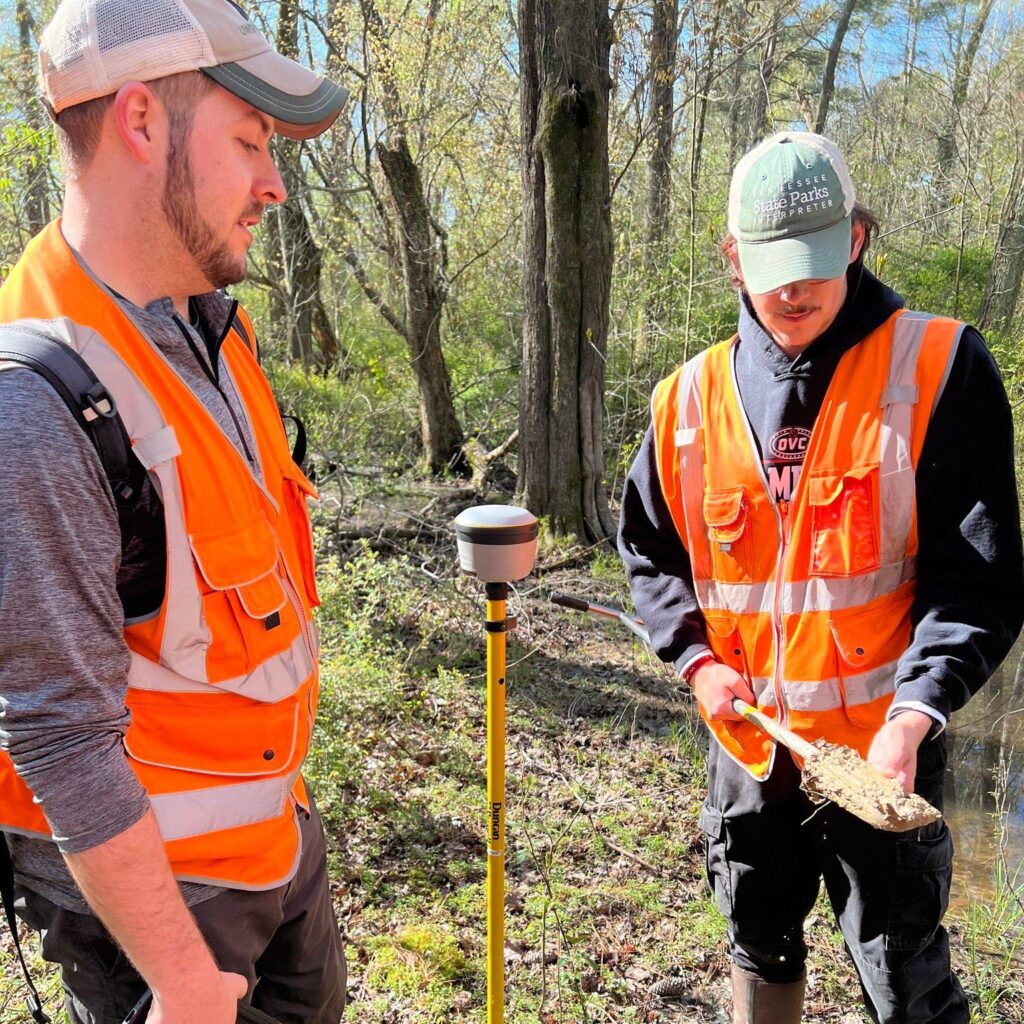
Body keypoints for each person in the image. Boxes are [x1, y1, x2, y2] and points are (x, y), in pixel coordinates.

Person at [618, 131, 1024, 1024]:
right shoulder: (685, 400)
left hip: (882, 756)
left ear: (859, 239)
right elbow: (651, 553)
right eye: (769, 268)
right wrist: (694, 662)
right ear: (731, 256)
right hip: (750, 752)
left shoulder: (940, 366)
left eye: (814, 262)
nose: (792, 290)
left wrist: (915, 715)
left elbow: (981, 581)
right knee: (758, 942)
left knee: (903, 966)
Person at [0, 1, 349, 1022]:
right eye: (249, 141)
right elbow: (60, 736)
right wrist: (182, 980)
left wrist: (287, 817)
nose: (274, 183)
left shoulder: (208, 325)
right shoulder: (36, 405)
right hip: (160, 915)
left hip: (276, 842)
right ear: (142, 123)